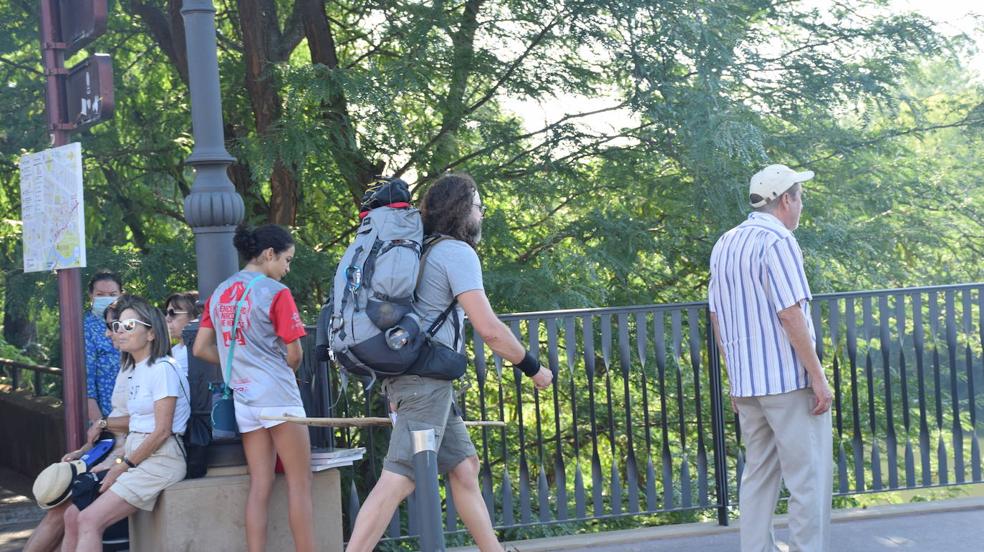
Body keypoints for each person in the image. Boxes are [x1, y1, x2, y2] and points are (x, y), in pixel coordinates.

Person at [346, 173, 554, 552]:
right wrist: (534, 368)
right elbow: (488, 328)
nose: (482, 214)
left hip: (419, 379)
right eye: (479, 206)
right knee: (400, 477)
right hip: (425, 383)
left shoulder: (419, 247)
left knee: (464, 467)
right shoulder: (456, 253)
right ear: (462, 210)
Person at [708, 164, 834, 552]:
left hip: (748, 385)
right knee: (808, 479)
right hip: (786, 383)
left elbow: (716, 315)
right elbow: (790, 312)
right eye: (800, 198)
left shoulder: (725, 242)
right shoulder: (778, 242)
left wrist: (733, 377)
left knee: (758, 477)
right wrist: (818, 376)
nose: (801, 206)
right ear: (785, 200)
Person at [192, 224, 313, 552]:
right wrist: (280, 367)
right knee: (300, 483)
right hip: (277, 395)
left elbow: (201, 348)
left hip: (244, 397)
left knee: (260, 485)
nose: (287, 270)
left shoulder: (219, 293)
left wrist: (241, 362)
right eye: (287, 260)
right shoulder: (275, 293)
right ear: (269, 254)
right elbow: (295, 353)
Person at [61, 296, 190, 552]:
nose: (120, 331)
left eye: (130, 325)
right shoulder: (133, 368)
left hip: (160, 460)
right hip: (135, 454)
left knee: (89, 520)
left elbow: (162, 430)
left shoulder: (162, 368)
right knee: (72, 515)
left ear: (151, 333)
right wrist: (119, 461)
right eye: (118, 325)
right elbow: (137, 424)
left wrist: (123, 465)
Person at [25, 298, 132, 552]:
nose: (107, 334)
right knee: (60, 508)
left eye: (113, 326)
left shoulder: (153, 368)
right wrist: (84, 450)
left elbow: (147, 424)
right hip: (109, 447)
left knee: (69, 511)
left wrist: (104, 431)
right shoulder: (127, 366)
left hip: (126, 455)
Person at [84, 270, 123, 424]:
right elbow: (86, 377)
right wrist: (98, 421)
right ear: (91, 296)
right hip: (105, 412)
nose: (107, 299)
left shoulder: (130, 323)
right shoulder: (85, 327)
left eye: (113, 294)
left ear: (121, 295)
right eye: (100, 294)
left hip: (133, 409)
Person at [163, 291, 200, 375]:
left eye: (172, 313)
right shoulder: (175, 350)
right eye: (167, 313)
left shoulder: (191, 352)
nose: (166, 319)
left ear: (195, 317)